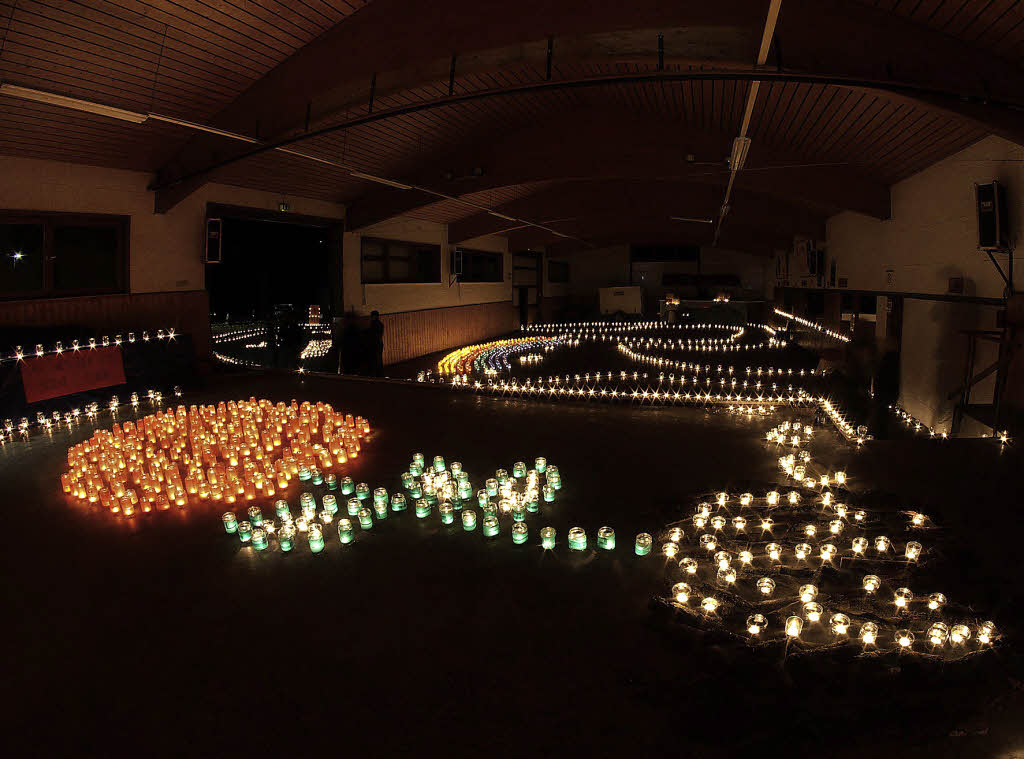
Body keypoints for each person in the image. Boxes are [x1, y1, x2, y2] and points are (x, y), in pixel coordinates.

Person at [369, 310, 385, 376]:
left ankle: (378, 373)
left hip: (376, 343)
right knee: (378, 358)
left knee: (377, 358)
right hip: (378, 342)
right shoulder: (379, 324)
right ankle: (380, 372)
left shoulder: (374, 324)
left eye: (372, 316)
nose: (371, 317)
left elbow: (374, 334)